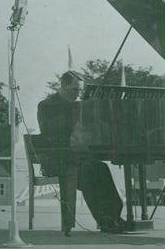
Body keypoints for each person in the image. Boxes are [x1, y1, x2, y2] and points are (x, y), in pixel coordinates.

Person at [36, 71, 126, 235]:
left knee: (102, 168)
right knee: (87, 172)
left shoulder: (79, 106)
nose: (77, 94)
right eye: (74, 90)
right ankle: (104, 220)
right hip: (56, 159)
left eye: (80, 91)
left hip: (78, 157)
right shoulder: (47, 105)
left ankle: (115, 216)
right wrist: (73, 112)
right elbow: (50, 133)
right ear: (62, 86)